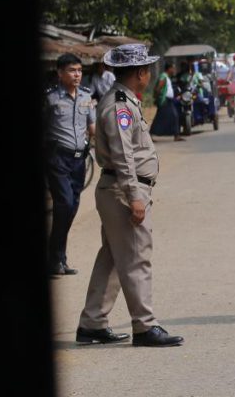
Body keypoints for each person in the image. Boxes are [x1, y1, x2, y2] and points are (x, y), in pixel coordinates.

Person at [76, 44, 183, 347]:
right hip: (124, 191)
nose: (148, 74)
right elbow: (124, 155)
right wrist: (135, 196)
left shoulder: (125, 101)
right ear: (140, 73)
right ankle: (145, 326)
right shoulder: (120, 105)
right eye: (147, 69)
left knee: (111, 258)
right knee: (137, 259)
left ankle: (92, 323)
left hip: (120, 189)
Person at [44, 53, 95, 276]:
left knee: (71, 209)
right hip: (58, 160)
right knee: (63, 204)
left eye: (80, 70)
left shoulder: (86, 96)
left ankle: (58, 259)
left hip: (79, 160)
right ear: (60, 73)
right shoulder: (50, 99)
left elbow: (92, 128)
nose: (77, 75)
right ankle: (54, 258)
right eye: (72, 70)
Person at [149, 62, 183, 141]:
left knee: (168, 117)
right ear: (169, 69)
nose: (174, 70)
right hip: (165, 101)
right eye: (173, 68)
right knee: (172, 116)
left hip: (168, 101)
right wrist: (158, 99)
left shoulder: (167, 77)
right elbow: (158, 88)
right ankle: (176, 135)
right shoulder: (163, 76)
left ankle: (176, 135)